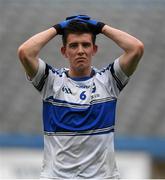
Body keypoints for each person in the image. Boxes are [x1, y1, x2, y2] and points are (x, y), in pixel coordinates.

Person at [18, 15, 144, 179]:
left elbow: (136, 48)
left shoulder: (108, 80)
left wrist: (101, 27)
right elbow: (25, 52)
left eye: (86, 45)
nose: (80, 51)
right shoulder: (51, 82)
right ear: (64, 51)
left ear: (94, 49)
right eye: (73, 45)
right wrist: (57, 28)